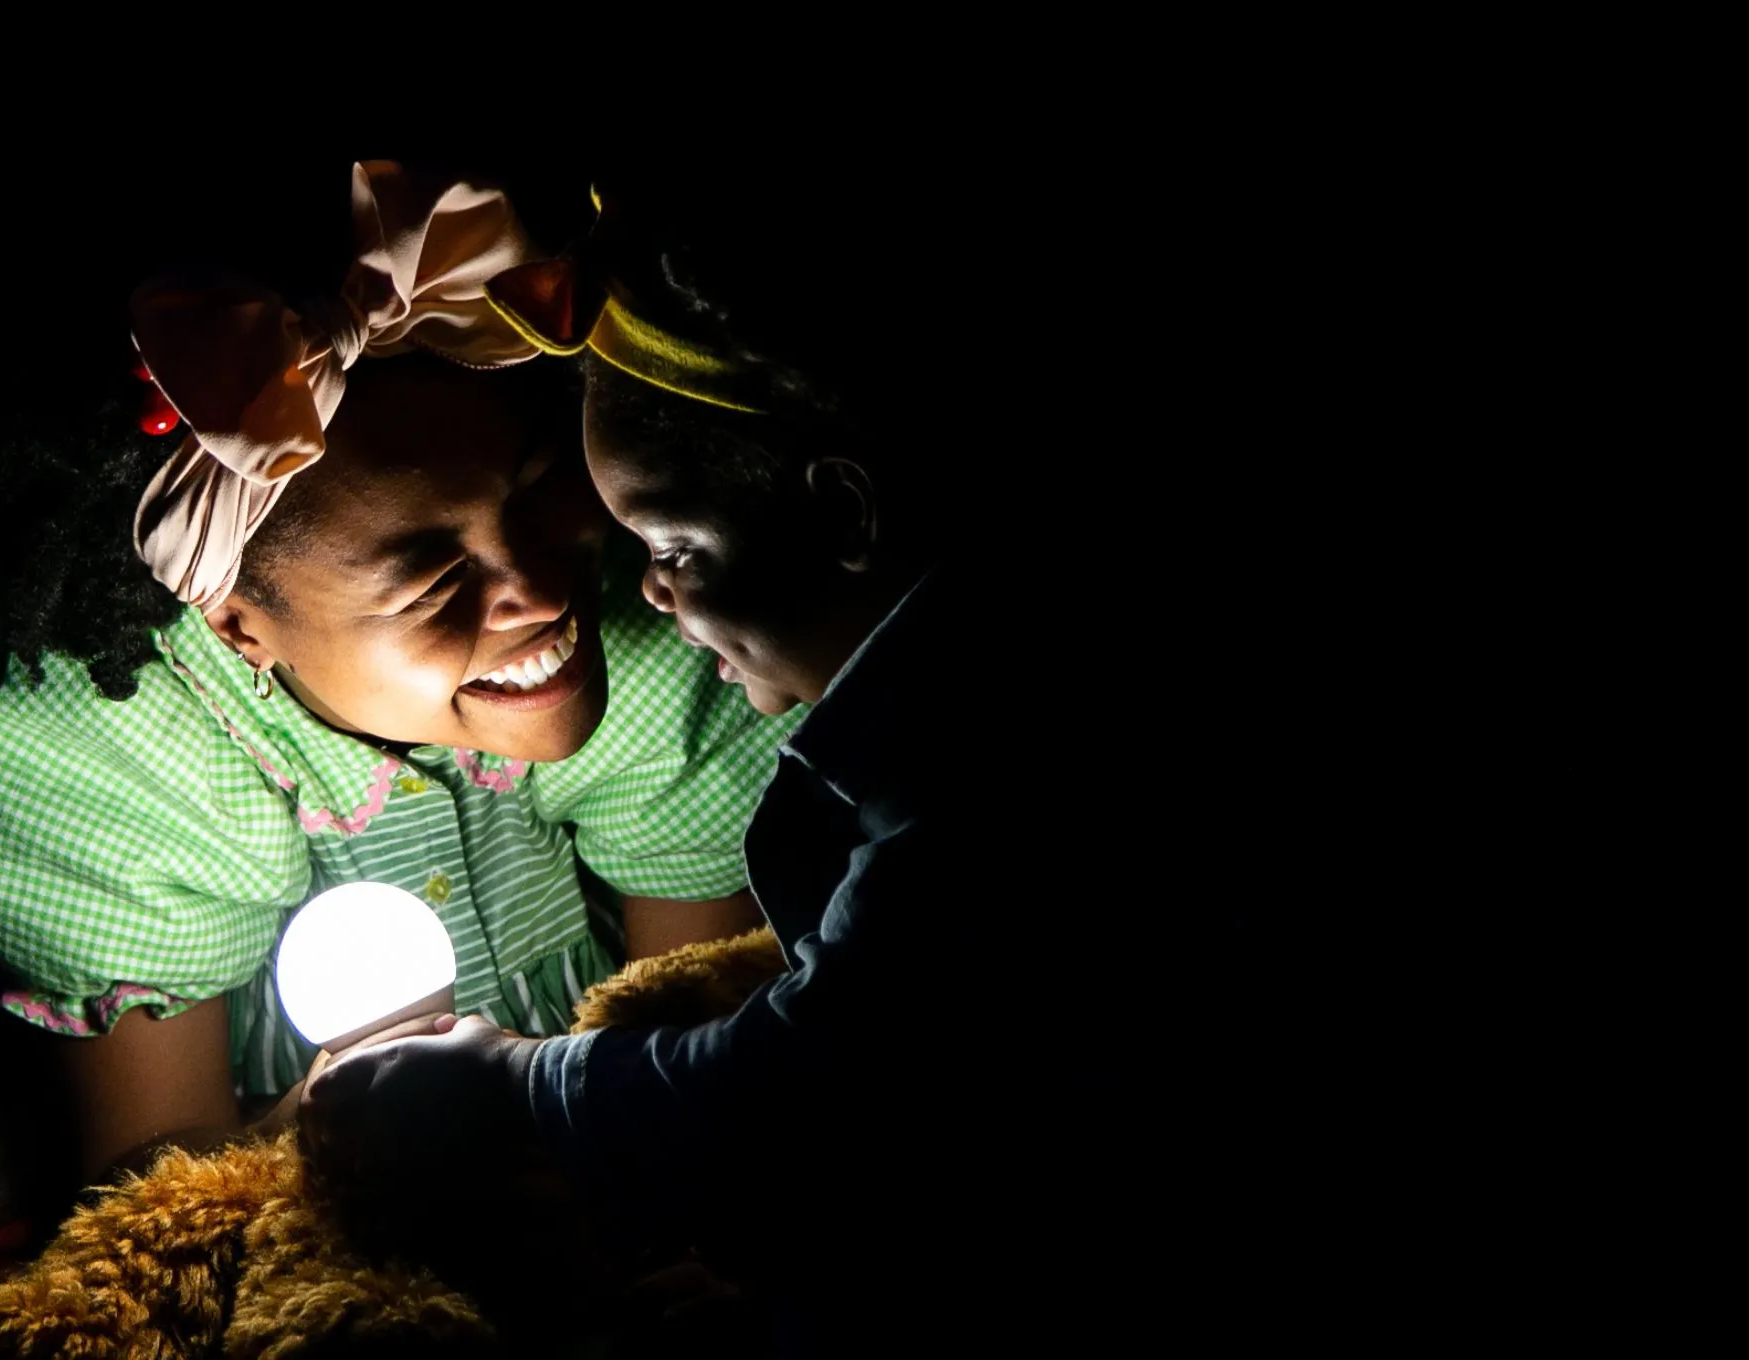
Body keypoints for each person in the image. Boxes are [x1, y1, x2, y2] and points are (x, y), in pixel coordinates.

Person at [300, 166, 1243, 1342]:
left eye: (676, 542)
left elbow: (819, 1097)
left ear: (845, 514)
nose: (646, 590)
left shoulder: (1006, 784)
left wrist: (517, 1087)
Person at [0, 160, 802, 1235]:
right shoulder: (116, 756)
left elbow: (684, 1060)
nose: (534, 591)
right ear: (239, 625)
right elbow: (158, 1196)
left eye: (533, 492)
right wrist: (347, 1143)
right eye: (434, 581)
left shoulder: (666, 625)